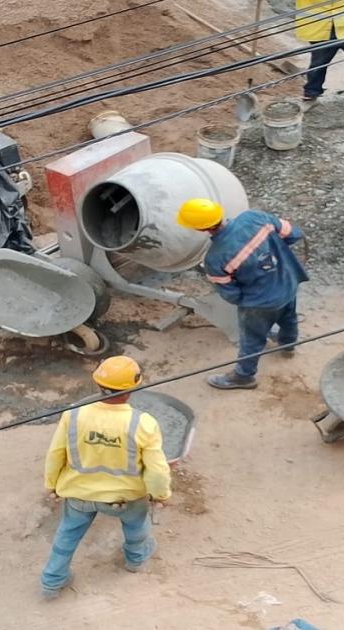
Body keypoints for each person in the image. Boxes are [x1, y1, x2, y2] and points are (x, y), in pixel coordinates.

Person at [40, 356, 172, 600]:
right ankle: (135, 561)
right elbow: (157, 469)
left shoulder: (74, 415)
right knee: (136, 528)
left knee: (67, 534)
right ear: (132, 389)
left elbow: (56, 453)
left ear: (98, 385)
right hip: (126, 498)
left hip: (80, 494)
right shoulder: (143, 423)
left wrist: (51, 485)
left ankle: (52, 581)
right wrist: (160, 494)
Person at [176, 198, 307, 390]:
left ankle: (244, 376)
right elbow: (293, 234)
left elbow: (231, 294)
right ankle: (287, 345)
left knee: (252, 339)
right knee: (289, 318)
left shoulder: (215, 258)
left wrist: (246, 301)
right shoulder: (254, 217)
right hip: (288, 283)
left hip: (259, 303)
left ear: (199, 229)